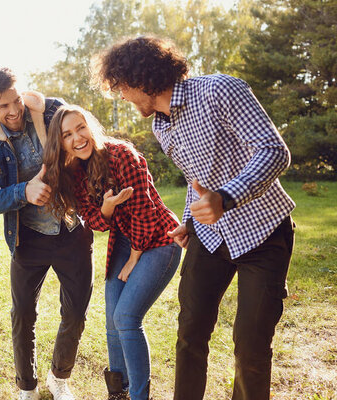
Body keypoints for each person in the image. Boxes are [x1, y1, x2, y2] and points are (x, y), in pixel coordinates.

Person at [92, 36, 296, 400]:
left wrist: (228, 197)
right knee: (189, 333)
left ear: (140, 78)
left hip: (264, 232)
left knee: (249, 345)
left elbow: (274, 151)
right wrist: (189, 219)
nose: (122, 96)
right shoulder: (160, 126)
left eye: (121, 87)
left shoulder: (221, 90)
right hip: (210, 237)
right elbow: (195, 180)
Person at [42, 105, 182, 400]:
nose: (78, 138)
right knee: (112, 319)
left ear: (90, 126)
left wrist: (134, 258)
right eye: (67, 134)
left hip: (159, 239)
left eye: (81, 128)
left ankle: (140, 396)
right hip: (123, 240)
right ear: (62, 142)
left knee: (127, 317)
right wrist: (107, 206)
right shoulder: (75, 172)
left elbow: (146, 211)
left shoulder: (121, 155)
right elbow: (95, 221)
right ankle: (119, 393)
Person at [0, 67, 94, 400]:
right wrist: (23, 191)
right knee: (23, 314)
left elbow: (83, 137)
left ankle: (59, 377)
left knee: (76, 312)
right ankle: (27, 386)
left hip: (71, 231)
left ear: (20, 91)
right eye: (2, 107)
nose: (13, 111)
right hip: (27, 238)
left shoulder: (51, 110)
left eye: (15, 100)